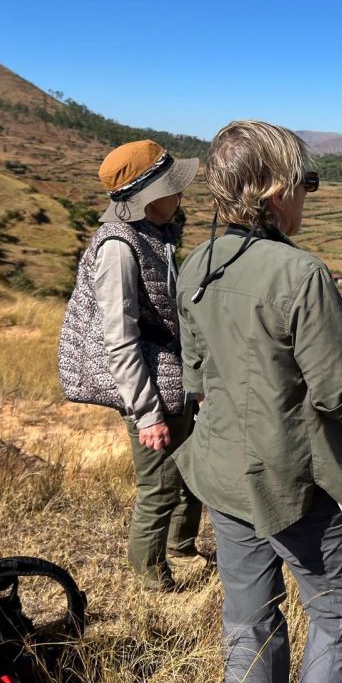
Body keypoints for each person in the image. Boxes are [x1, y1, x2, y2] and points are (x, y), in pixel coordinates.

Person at [174, 120, 342, 683]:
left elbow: (196, 377)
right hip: (294, 482)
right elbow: (335, 398)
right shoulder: (303, 274)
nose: (307, 197)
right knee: (338, 614)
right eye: (304, 182)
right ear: (273, 190)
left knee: (248, 622)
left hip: (220, 473)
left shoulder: (196, 267)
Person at [59, 139, 207, 592]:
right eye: (171, 188)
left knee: (190, 472)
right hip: (151, 388)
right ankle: (151, 582)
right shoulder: (119, 249)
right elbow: (118, 338)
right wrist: (147, 414)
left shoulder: (152, 235)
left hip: (171, 378)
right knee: (159, 488)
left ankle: (182, 550)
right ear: (147, 196)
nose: (180, 196)